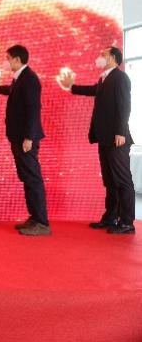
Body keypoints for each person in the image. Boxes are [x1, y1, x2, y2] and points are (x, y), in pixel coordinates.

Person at [58, 46, 135, 234]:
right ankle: (110, 218)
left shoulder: (120, 78)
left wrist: (120, 132)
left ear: (113, 58)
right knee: (110, 180)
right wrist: (71, 87)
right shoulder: (104, 78)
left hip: (117, 138)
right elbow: (93, 90)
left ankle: (127, 223)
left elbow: (124, 106)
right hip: (104, 137)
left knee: (122, 180)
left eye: (103, 55)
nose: (99, 57)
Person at [0, 44, 51, 236]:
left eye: (8, 58)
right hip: (19, 137)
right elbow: (13, 91)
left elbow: (33, 109)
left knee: (32, 178)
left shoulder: (29, 78)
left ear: (17, 59)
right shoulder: (20, 77)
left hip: (25, 138)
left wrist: (29, 136)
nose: (6, 62)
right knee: (27, 177)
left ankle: (42, 222)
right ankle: (34, 218)